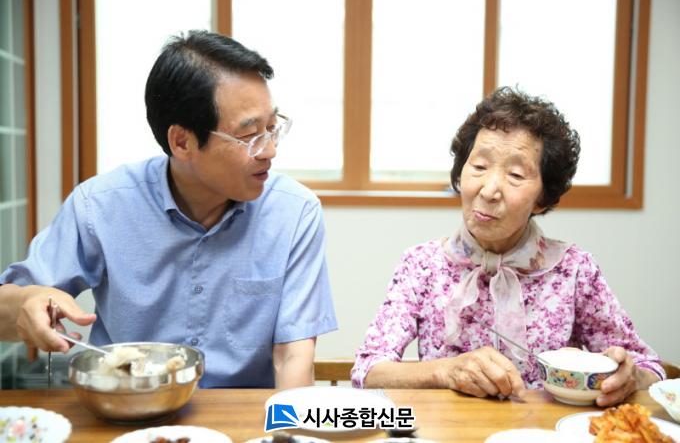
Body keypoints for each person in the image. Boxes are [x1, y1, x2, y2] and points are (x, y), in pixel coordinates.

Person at [0, 30, 337, 388]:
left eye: (271, 128)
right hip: (124, 405)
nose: (269, 150)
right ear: (182, 142)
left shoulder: (293, 212)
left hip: (242, 414)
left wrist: (287, 422)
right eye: (249, 135)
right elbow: (7, 309)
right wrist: (27, 302)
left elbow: (293, 358)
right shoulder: (100, 206)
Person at [351, 87, 663, 406]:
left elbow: (649, 368)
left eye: (515, 174)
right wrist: (444, 371)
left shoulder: (575, 270)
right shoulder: (421, 264)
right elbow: (368, 370)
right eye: (479, 167)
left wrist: (630, 377)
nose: (489, 190)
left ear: (542, 199)